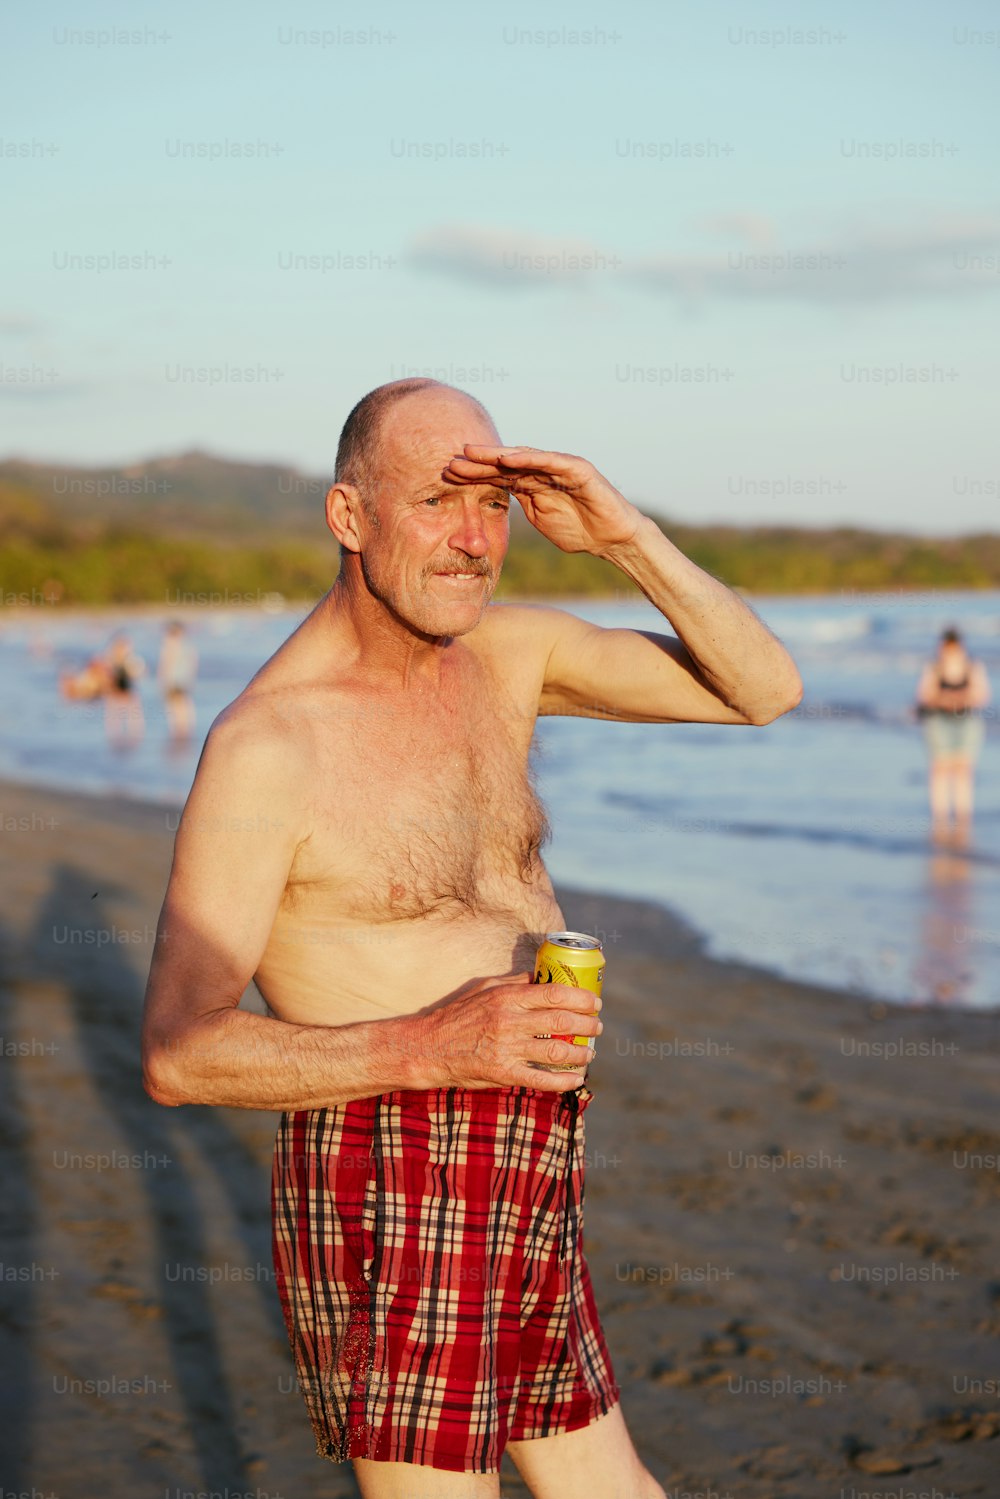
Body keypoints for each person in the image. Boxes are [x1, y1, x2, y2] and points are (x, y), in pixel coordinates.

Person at [141, 379, 802, 1497]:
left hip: (532, 1154)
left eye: (492, 506)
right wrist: (435, 1045)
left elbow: (763, 688)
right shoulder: (271, 745)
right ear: (349, 517)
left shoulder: (507, 659)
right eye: (438, 501)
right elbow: (176, 1051)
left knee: (611, 1483)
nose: (471, 540)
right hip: (391, 1170)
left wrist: (625, 535)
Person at [916, 627, 990, 842]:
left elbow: (982, 696)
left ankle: (963, 818)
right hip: (938, 721)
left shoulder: (973, 667)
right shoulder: (934, 667)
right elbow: (924, 696)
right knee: (940, 769)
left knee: (963, 770)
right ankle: (939, 820)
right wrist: (948, 700)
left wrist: (954, 699)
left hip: (967, 722)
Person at [157, 619, 198, 742]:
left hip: (173, 680)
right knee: (185, 705)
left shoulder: (169, 644)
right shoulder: (187, 645)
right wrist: (191, 678)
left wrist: (162, 681)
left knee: (173, 706)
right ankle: (187, 730)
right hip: (185, 679)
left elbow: (166, 664)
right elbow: (194, 662)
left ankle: (177, 732)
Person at [102, 631, 145, 746]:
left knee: (132, 714)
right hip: (116, 690)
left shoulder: (129, 659)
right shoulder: (112, 659)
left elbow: (138, 673)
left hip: (126, 689)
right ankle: (116, 737)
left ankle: (134, 736)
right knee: (115, 716)